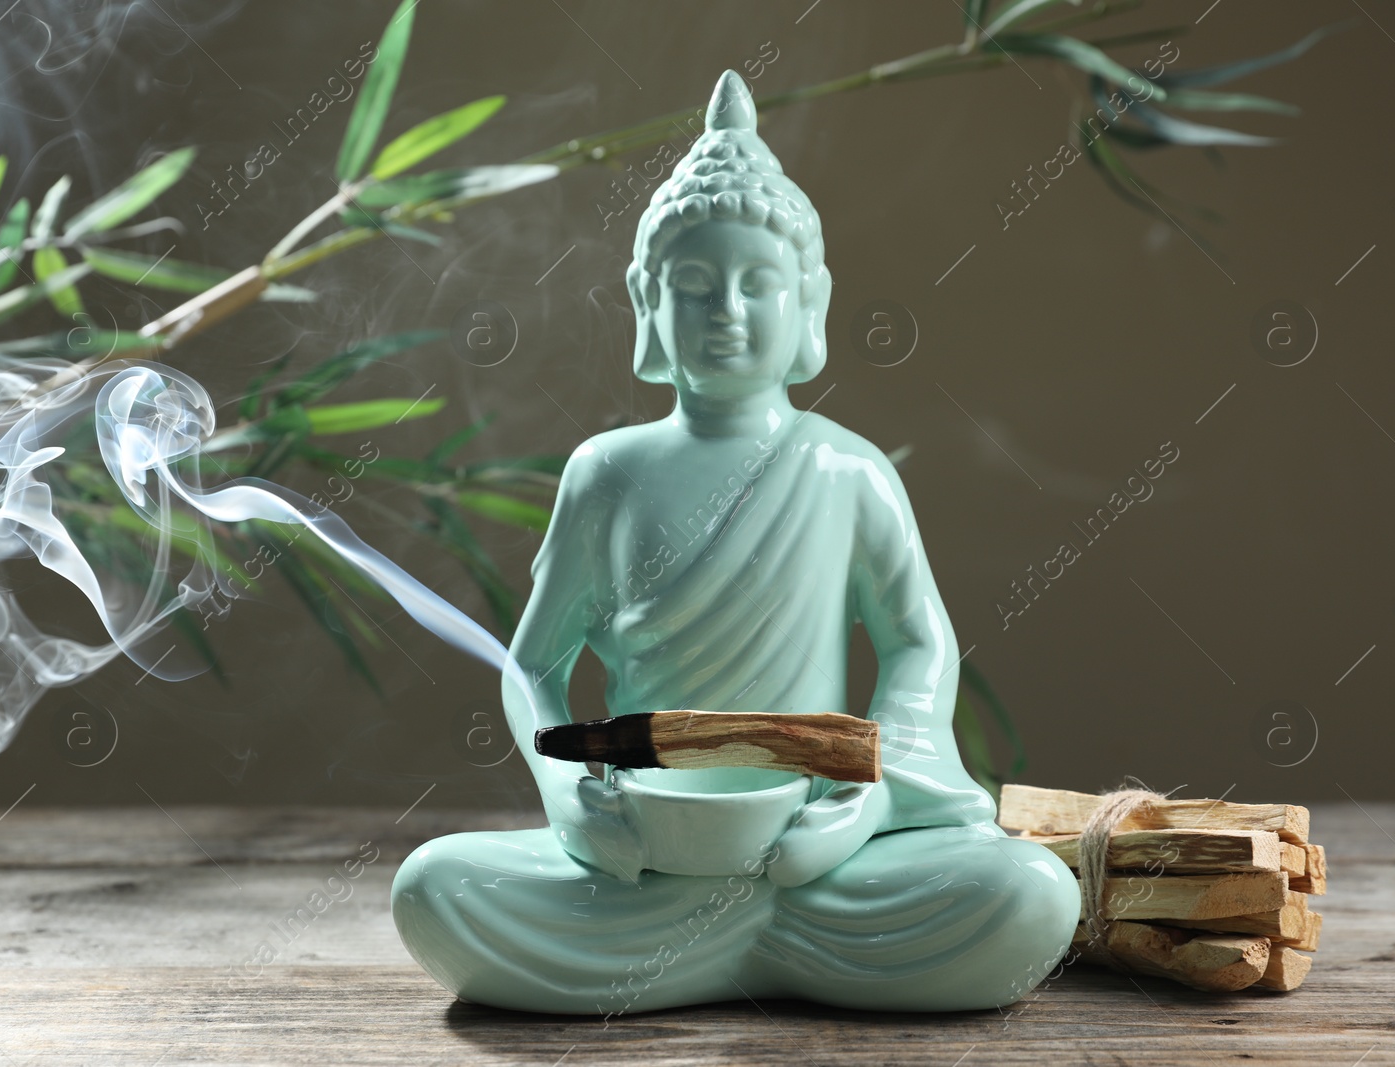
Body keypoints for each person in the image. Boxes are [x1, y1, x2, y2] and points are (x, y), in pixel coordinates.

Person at [391, 69, 1078, 1015]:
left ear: (812, 301)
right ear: (646, 301)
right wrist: (567, 803)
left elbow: (919, 642)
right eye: (695, 284)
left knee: (1029, 894)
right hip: (649, 851)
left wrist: (869, 798)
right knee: (435, 884)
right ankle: (762, 953)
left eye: (760, 283)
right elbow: (532, 667)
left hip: (812, 848)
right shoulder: (606, 471)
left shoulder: (847, 469)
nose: (728, 311)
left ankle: (708, 955)